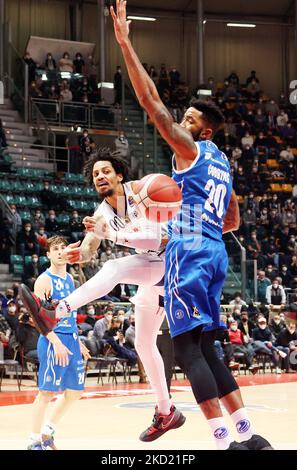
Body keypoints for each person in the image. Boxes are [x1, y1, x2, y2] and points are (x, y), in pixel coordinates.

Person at [109, 0, 273, 451]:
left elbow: (152, 105)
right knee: (206, 347)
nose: (181, 123)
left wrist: (125, 43)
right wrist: (202, 225)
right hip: (216, 253)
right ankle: (247, 436)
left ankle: (223, 443)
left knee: (184, 349)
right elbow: (234, 218)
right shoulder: (222, 162)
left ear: (203, 132)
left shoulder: (194, 151)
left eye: (190, 121)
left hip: (191, 250)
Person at [21, 149, 186, 442]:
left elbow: (160, 238)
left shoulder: (144, 192)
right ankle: (166, 411)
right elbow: (89, 247)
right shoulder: (103, 212)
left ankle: (56, 311)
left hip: (173, 263)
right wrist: (77, 253)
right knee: (144, 345)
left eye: (106, 171)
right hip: (152, 273)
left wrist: (112, 235)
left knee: (115, 266)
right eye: (96, 173)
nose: (100, 176)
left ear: (120, 174)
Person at [24, 235, 90, 450]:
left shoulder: (71, 279)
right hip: (53, 340)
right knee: (46, 393)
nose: (61, 251)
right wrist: (56, 342)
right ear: (49, 254)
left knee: (74, 391)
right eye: (56, 249)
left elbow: (71, 314)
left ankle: (47, 431)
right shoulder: (45, 280)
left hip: (70, 339)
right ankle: (33, 441)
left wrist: (77, 341)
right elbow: (38, 319)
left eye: (63, 247)